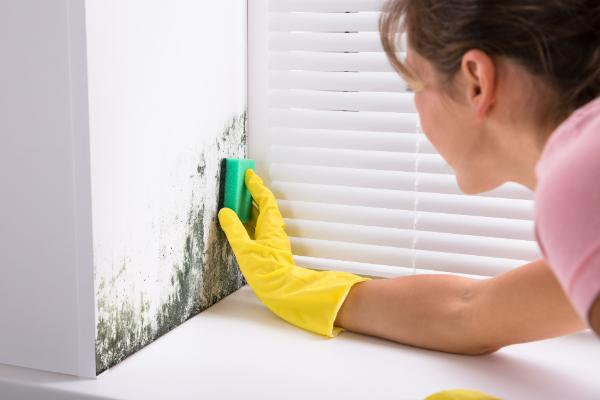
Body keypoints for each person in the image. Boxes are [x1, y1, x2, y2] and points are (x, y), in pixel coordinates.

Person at [218, 0, 600, 358]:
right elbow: (468, 311)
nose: (415, 105)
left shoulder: (578, 180)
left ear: (476, 81)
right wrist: (294, 285)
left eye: (415, 85)